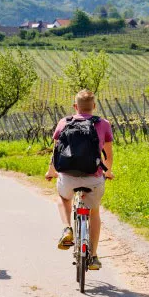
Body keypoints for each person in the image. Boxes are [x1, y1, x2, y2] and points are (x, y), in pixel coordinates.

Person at [45, 89, 115, 271]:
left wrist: (51, 171)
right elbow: (108, 154)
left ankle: (67, 228)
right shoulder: (103, 124)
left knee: (63, 198)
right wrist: (108, 172)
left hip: (68, 178)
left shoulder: (64, 122)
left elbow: (56, 152)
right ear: (94, 106)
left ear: (75, 107)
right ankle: (93, 256)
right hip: (93, 179)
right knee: (94, 212)